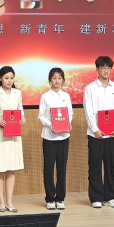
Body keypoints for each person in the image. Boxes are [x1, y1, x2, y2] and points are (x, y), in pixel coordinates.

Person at [83, 56, 114, 208]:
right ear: (97, 69)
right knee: (95, 166)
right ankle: (96, 198)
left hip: (112, 134)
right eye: (103, 68)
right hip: (96, 135)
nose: (106, 71)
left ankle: (111, 196)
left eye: (108, 68)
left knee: (110, 166)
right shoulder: (90, 88)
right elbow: (88, 111)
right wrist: (95, 129)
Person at [0, 66, 26, 212]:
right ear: (0, 78)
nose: (9, 81)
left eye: (11, 78)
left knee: (11, 168)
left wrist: (23, 119)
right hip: (0, 134)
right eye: (6, 78)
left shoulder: (18, 93)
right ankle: (1, 202)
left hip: (14, 134)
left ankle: (9, 202)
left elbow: (21, 111)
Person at [38, 67, 73, 210]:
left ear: (63, 80)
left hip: (64, 136)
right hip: (49, 136)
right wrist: (50, 124)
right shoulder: (45, 96)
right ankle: (50, 198)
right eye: (54, 78)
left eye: (59, 78)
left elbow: (70, 113)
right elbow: (41, 116)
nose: (57, 81)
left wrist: (68, 123)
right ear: (50, 80)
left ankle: (60, 198)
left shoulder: (66, 96)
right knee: (49, 168)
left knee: (61, 168)